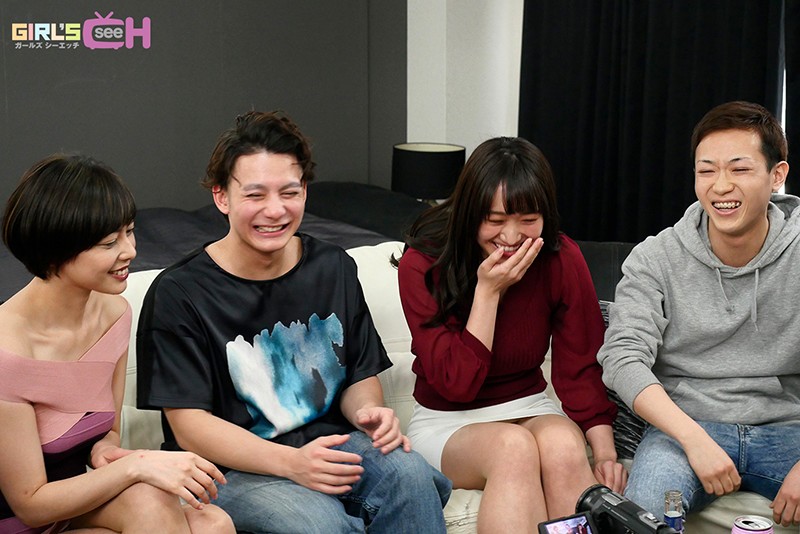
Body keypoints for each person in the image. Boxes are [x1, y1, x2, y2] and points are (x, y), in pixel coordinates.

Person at [136, 110, 451, 534]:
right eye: (255, 195)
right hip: (228, 468)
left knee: (411, 476)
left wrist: (369, 412)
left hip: (326, 442)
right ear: (222, 197)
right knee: (317, 523)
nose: (275, 210)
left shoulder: (333, 267)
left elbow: (359, 374)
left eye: (289, 192)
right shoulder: (180, 292)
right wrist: (291, 463)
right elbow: (190, 425)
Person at [395, 136, 627, 532]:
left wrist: (605, 453)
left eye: (528, 219)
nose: (512, 236)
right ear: (470, 213)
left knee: (563, 444)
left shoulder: (560, 257)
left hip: (529, 404)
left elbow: (582, 363)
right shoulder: (422, 264)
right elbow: (456, 384)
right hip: (447, 421)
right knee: (512, 448)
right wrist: (488, 293)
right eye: (496, 220)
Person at [0, 154, 234, 534]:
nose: (130, 251)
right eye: (109, 242)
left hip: (73, 507)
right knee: (150, 500)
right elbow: (31, 505)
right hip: (24, 521)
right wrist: (137, 465)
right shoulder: (7, 353)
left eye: (130, 231)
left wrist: (105, 450)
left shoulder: (114, 315)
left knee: (213, 523)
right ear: (55, 249)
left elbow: (106, 433)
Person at [598, 100, 800, 526]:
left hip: (789, 431)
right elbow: (622, 358)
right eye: (706, 171)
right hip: (684, 429)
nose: (721, 186)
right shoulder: (655, 258)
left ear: (777, 175)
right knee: (643, 513)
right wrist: (692, 437)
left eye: (739, 169)